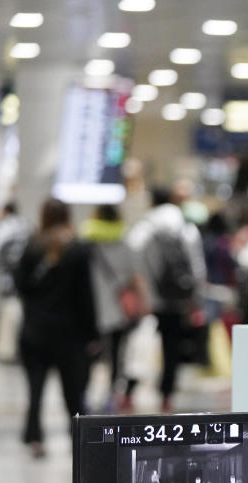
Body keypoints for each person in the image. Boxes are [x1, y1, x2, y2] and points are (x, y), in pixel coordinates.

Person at [14, 198, 99, 457]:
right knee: (74, 392)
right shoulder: (77, 249)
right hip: (69, 334)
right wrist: (92, 334)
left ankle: (34, 438)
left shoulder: (32, 247)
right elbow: (86, 296)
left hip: (35, 331)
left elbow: (21, 288)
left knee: (35, 389)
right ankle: (80, 440)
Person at [126, 186, 206, 412]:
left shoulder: (145, 228)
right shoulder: (186, 228)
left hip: (150, 299)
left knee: (141, 346)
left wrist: (143, 294)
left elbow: (133, 259)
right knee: (171, 348)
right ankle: (166, 396)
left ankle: (128, 392)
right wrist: (194, 299)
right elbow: (197, 269)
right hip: (178, 298)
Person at [82, 204, 148, 411]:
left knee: (90, 355)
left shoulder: (87, 244)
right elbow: (136, 277)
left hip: (91, 309)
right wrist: (143, 303)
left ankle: (85, 395)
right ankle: (111, 395)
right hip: (119, 309)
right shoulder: (126, 243)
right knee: (117, 355)